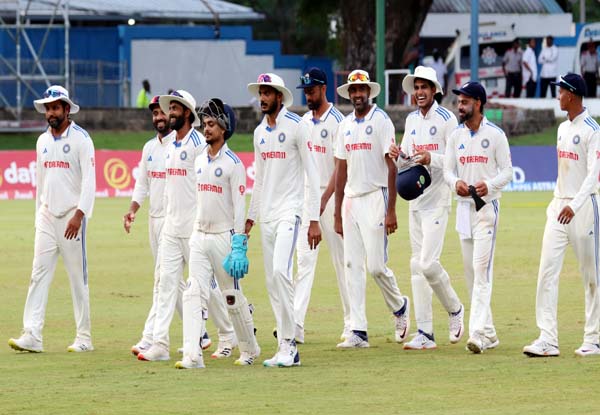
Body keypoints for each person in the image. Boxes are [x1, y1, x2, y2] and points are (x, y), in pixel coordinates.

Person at [137, 90, 235, 361]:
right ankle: (159, 344)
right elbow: (170, 188)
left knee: (207, 288)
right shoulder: (171, 147)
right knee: (165, 282)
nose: (170, 113)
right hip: (171, 226)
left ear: (188, 113)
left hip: (194, 228)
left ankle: (228, 332)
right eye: (169, 109)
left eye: (175, 109)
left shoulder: (197, 143)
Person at [8, 85, 96, 353]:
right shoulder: (42, 141)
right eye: (48, 108)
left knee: (77, 278)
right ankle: (32, 334)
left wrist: (79, 215)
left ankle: (84, 337)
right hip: (46, 216)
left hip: (72, 217)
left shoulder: (82, 139)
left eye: (56, 107)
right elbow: (41, 183)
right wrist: (39, 215)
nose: (51, 113)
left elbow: (90, 183)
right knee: (38, 274)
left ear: (67, 109)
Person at [176, 98, 260, 369]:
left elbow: (239, 206)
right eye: (205, 124)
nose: (206, 129)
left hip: (225, 237)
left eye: (212, 124)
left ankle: (249, 348)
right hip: (199, 236)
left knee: (232, 296)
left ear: (224, 129)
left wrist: (239, 244)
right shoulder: (199, 160)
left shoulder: (234, 164)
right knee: (193, 293)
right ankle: (192, 355)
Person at [245, 72, 322, 367]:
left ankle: (290, 344)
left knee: (281, 272)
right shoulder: (259, 132)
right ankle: (283, 346)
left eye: (267, 93)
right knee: (271, 281)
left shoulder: (298, 126)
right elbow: (260, 180)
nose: (263, 98)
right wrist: (251, 218)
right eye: (260, 93)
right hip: (267, 214)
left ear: (280, 96)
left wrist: (313, 219)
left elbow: (313, 175)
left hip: (292, 212)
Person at [523, 74, 600, 358]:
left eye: (561, 91)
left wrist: (575, 204)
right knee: (546, 272)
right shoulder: (561, 128)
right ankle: (547, 338)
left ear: (574, 94)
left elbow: (593, 175)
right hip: (558, 208)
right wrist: (558, 202)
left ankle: (594, 338)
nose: (557, 96)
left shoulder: (593, 130)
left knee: (592, 276)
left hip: (584, 209)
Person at [388, 66, 464, 350]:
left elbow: (456, 160)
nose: (419, 92)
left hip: (438, 199)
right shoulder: (410, 120)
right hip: (416, 200)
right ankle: (425, 333)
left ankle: (455, 309)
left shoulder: (447, 120)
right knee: (414, 265)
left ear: (435, 90)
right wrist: (399, 155)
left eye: (424, 87)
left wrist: (431, 157)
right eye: (416, 87)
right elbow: (406, 161)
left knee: (427, 263)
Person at [333, 69, 410, 349]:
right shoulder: (345, 125)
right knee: (352, 266)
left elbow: (392, 166)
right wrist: (337, 212)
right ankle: (358, 330)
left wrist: (391, 210)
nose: (357, 95)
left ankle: (400, 307)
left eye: (361, 90)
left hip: (376, 196)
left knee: (376, 267)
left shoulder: (381, 121)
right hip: (352, 200)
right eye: (353, 91)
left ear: (369, 92)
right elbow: (341, 168)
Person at [444, 81, 513, 354]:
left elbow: (507, 172)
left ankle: (477, 334)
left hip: (486, 208)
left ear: (478, 103)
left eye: (464, 102)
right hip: (463, 209)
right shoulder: (455, 137)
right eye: (459, 102)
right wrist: (455, 183)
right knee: (471, 273)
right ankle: (491, 333)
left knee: (482, 272)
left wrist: (490, 185)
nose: (460, 106)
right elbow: (448, 171)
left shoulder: (495, 135)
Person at [293, 67, 350, 343]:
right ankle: (295, 325)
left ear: (323, 88)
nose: (308, 96)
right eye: (305, 92)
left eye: (312, 91)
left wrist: (327, 201)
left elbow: (341, 168)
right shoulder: (303, 122)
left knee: (343, 262)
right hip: (308, 199)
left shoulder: (338, 121)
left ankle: (352, 323)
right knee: (303, 262)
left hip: (334, 197)